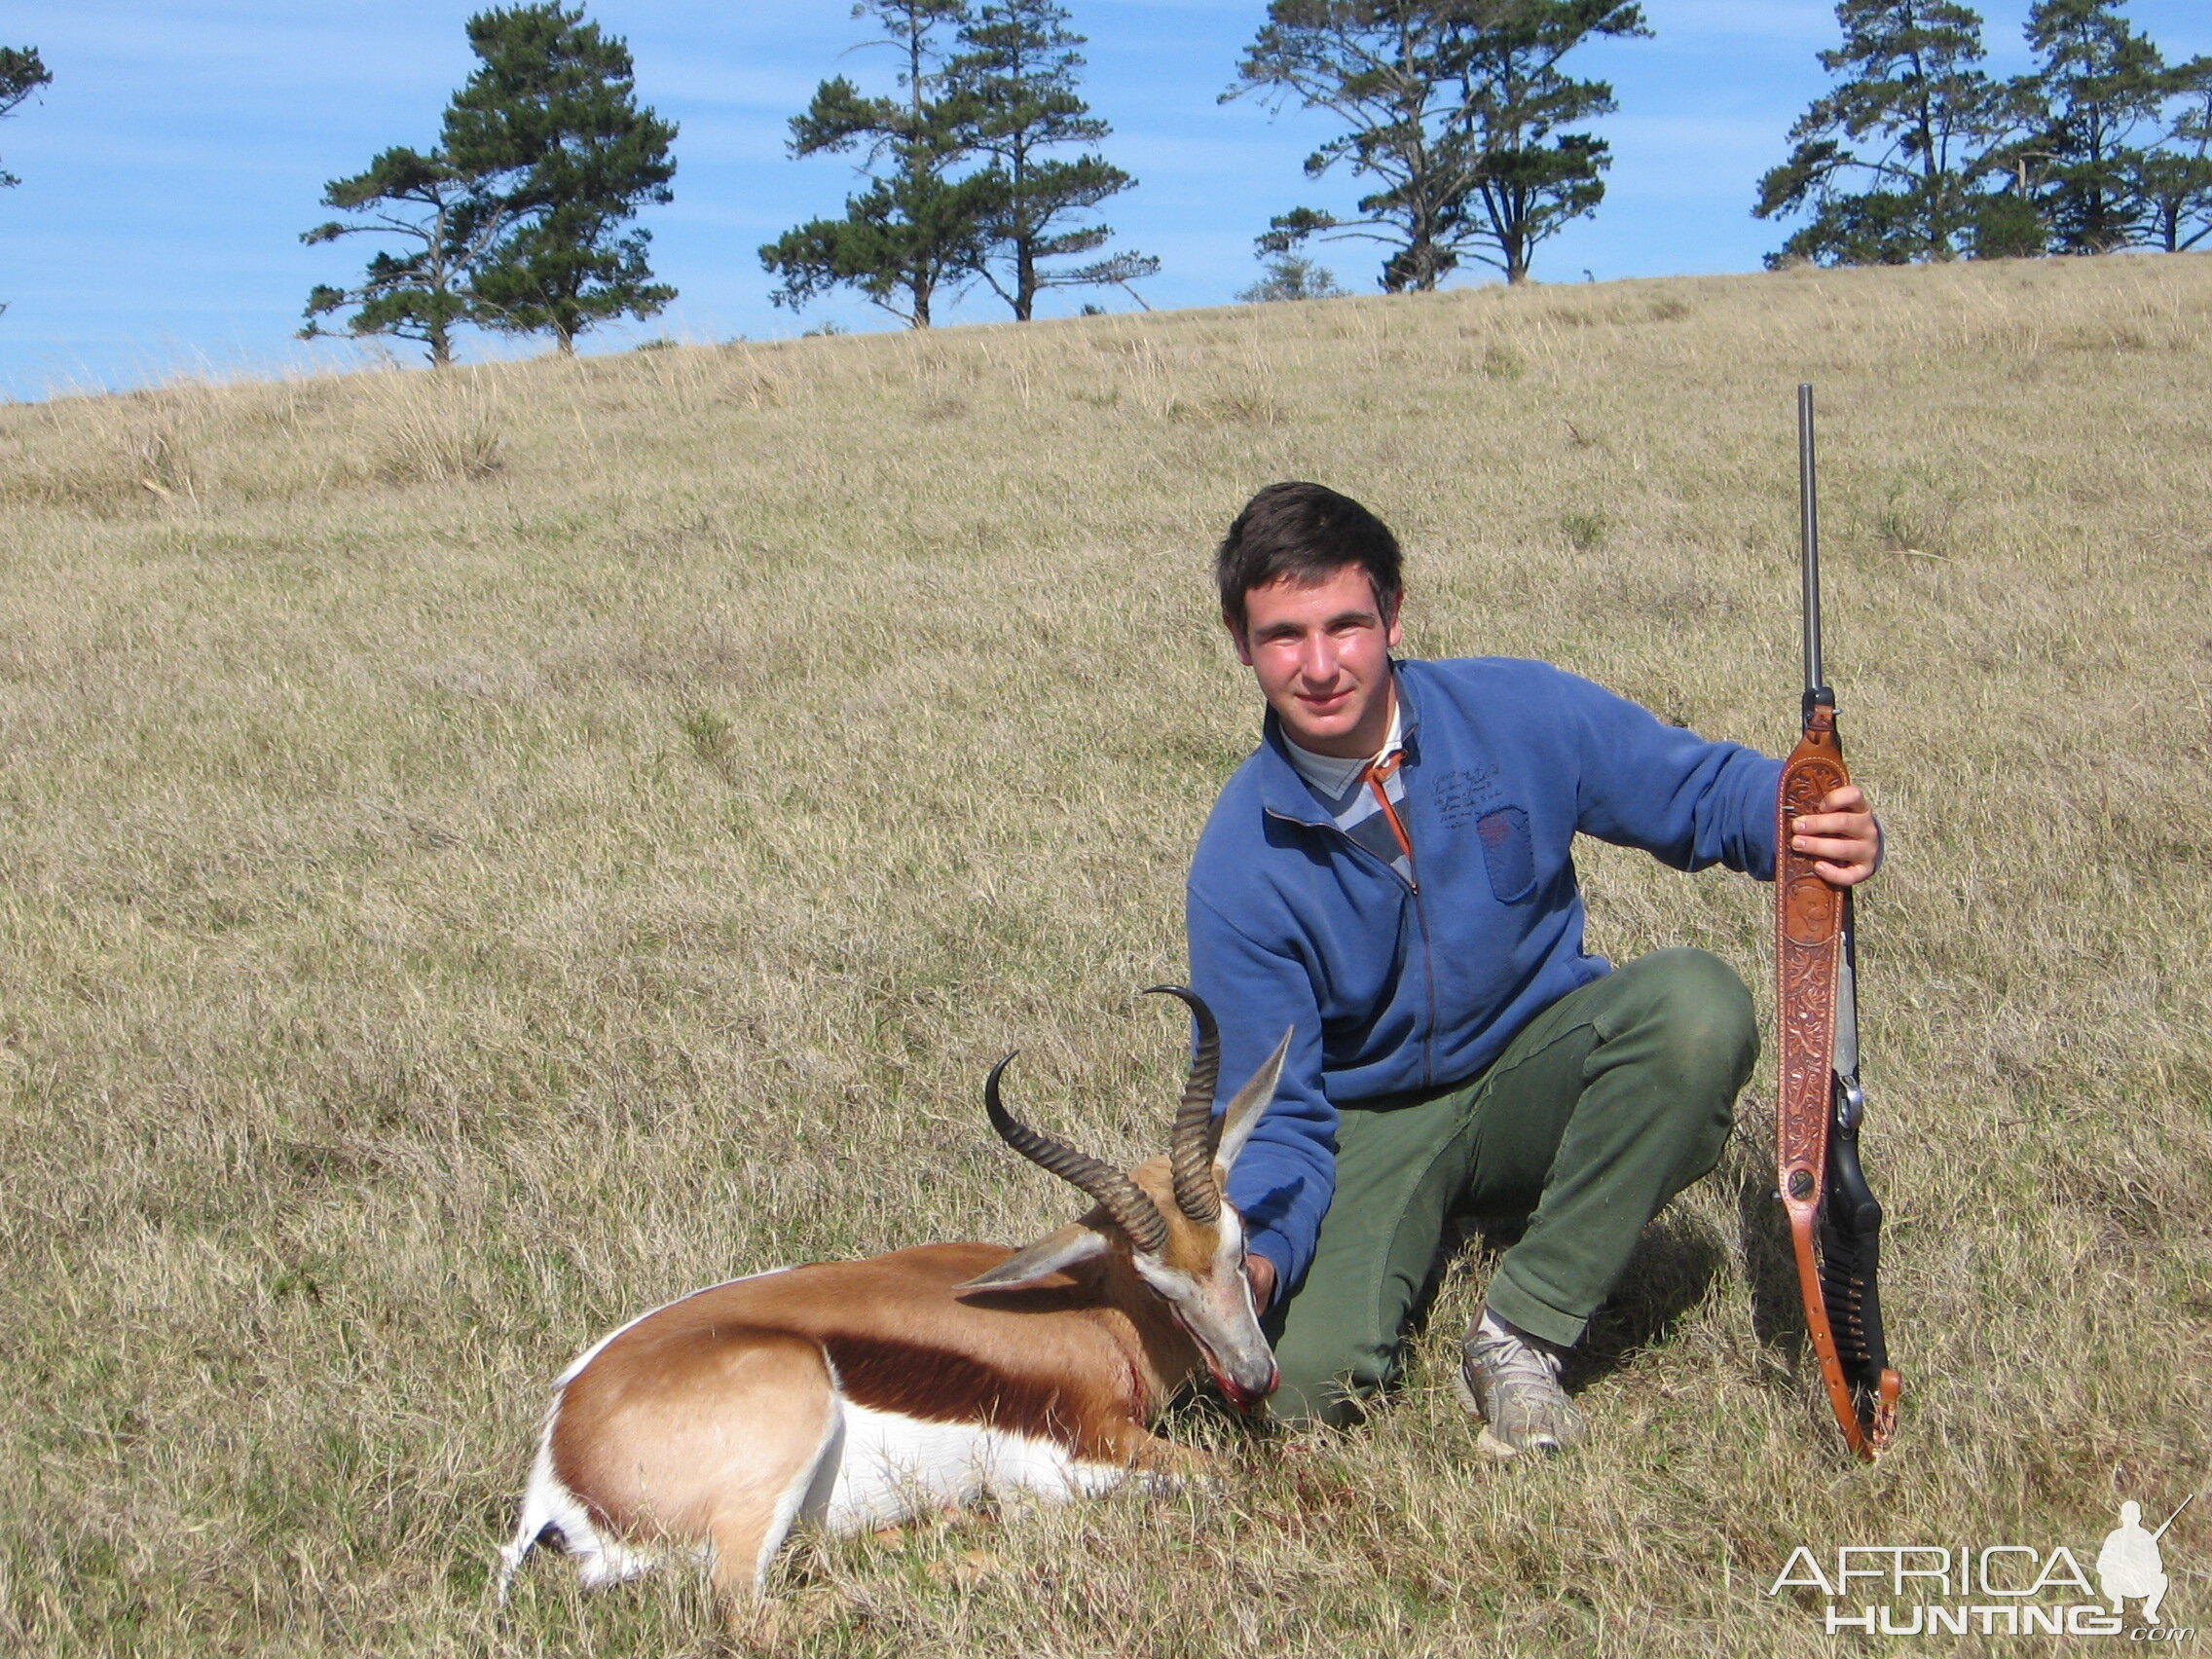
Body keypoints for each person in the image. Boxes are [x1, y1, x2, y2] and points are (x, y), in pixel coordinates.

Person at [1186, 481, 1882, 1454]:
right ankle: (1406, 1233)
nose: (1318, 666)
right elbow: (1275, 1115)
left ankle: (1520, 1329)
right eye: (1281, 636)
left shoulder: (1514, 709)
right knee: (1297, 1390)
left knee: (1694, 1007)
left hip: (1534, 1065)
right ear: (1237, 638)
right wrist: (1256, 1264)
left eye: (1345, 625)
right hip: (1365, 1125)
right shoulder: (1237, 865)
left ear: (1392, 610)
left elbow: (1691, 790)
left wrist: (1810, 815)